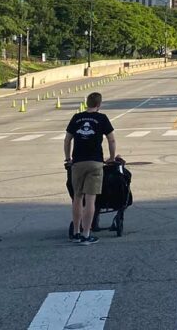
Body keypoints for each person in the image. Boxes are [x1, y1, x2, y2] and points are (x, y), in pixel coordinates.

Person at [63, 92, 117, 245]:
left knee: (77, 198)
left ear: (87, 103)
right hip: (95, 162)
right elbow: (111, 139)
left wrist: (68, 158)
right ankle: (87, 234)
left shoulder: (76, 118)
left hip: (78, 162)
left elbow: (67, 140)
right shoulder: (102, 118)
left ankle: (76, 232)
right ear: (99, 105)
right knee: (91, 200)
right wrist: (112, 158)